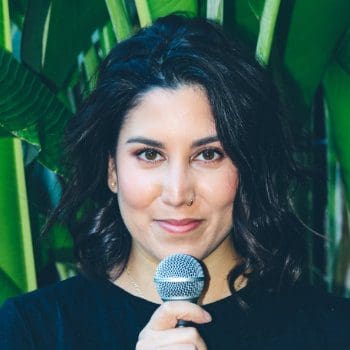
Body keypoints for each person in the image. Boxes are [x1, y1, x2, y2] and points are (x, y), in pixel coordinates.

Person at [0, 14, 349, 350]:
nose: (178, 193)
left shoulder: (332, 331)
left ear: (248, 166)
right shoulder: (30, 332)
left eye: (209, 154)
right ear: (111, 169)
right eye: (150, 155)